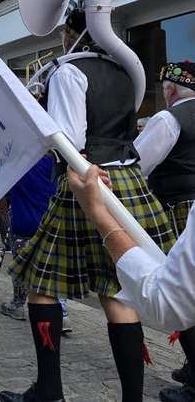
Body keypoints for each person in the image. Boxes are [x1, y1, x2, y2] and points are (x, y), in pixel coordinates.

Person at [0, 9, 176, 402]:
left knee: (40, 284)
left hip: (85, 178)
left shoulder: (68, 72)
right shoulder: (125, 70)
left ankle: (49, 392)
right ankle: (132, 398)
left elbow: (68, 138)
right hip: (127, 179)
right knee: (118, 289)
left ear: (70, 34)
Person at [67, 165, 195, 334]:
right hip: (123, 178)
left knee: (112, 290)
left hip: (117, 179)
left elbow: (170, 304)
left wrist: (98, 212)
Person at [134, 61, 195, 401]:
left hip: (178, 209)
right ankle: (190, 365)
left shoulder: (168, 118)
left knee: (180, 290)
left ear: (170, 89)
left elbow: (140, 165)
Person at [0, 155, 57, 322]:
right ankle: (61, 309)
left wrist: (4, 218)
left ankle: (18, 304)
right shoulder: (54, 161)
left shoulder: (20, 161)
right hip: (48, 223)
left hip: (23, 222)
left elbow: (2, 195)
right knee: (48, 267)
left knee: (20, 266)